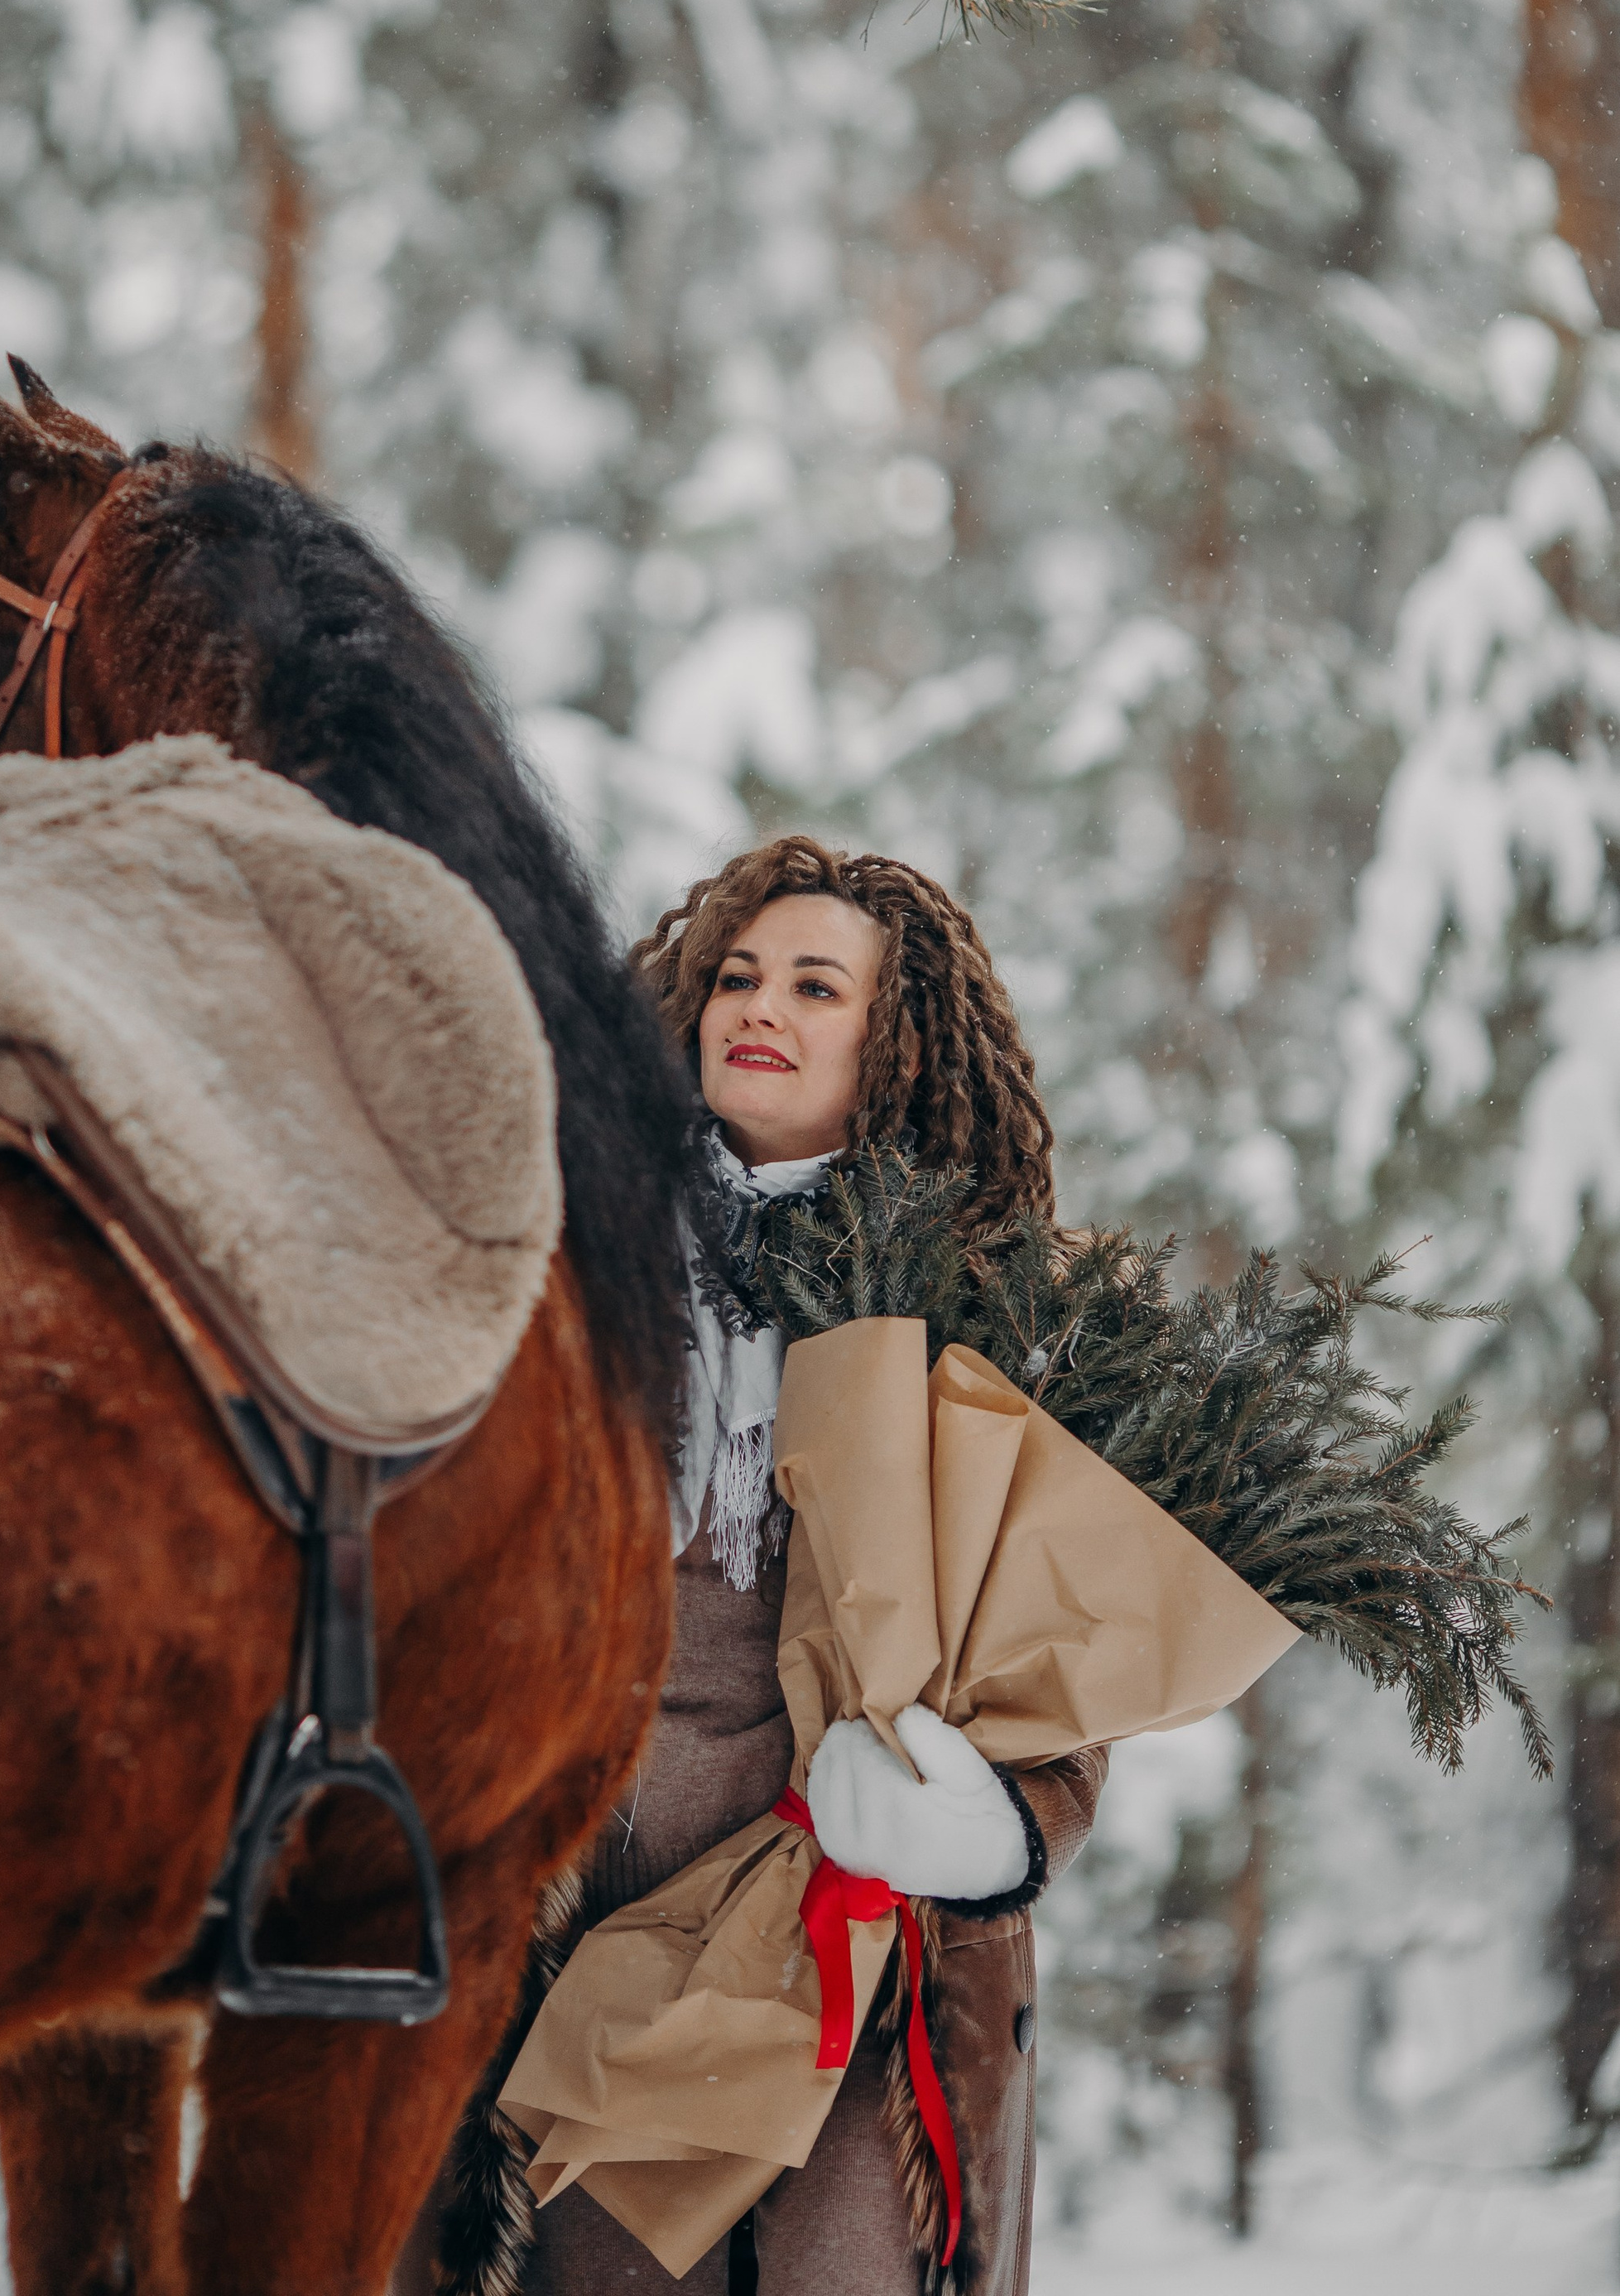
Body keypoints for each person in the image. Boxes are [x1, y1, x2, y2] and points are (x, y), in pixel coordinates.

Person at [515, 835, 1108, 2296]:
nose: (757, 1006)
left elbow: (1063, 1655)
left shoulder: (987, 1306)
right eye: (736, 974)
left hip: (852, 1926)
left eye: (814, 985)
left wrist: (990, 1831)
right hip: (591, 1930)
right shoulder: (573, 1261)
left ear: (893, 1037)